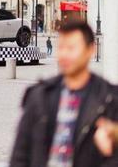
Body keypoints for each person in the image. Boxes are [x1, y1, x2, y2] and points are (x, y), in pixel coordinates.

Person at [9, 21, 118, 167]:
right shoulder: (39, 96)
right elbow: (20, 155)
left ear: (90, 50)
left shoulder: (109, 98)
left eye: (71, 48)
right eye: (61, 47)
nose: (64, 54)